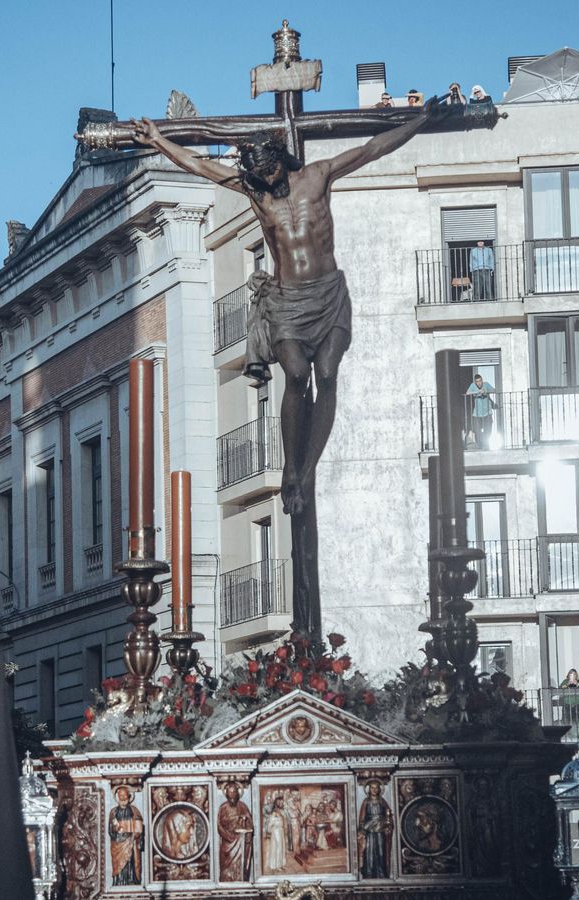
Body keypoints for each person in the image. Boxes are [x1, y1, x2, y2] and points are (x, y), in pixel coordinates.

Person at [131, 95, 449, 636]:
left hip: (326, 294)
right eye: (258, 175)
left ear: (284, 160)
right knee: (295, 375)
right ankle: (289, 469)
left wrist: (421, 120)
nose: (267, 182)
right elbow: (203, 165)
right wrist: (161, 141)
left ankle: (302, 469)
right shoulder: (254, 191)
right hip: (286, 301)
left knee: (327, 377)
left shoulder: (319, 175)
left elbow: (374, 147)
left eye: (271, 172)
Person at [218, 782, 254, 881]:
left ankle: (240, 878)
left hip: (240, 840)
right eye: (230, 792)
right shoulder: (223, 807)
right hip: (227, 841)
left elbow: (249, 822)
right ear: (226, 794)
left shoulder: (242, 806)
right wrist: (228, 835)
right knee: (226, 866)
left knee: (240, 863)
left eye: (234, 792)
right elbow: (219, 825)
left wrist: (247, 832)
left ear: (238, 793)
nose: (232, 794)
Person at [108, 786, 143, 886]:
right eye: (121, 795)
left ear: (129, 796)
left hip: (131, 842)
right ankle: (119, 881)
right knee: (118, 865)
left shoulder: (134, 811)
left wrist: (133, 835)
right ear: (117, 797)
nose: (123, 798)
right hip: (118, 843)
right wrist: (118, 835)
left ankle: (132, 880)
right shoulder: (113, 812)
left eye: (125, 795)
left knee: (131, 862)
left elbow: (138, 828)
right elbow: (110, 831)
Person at [358, 781, 392, 878]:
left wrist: (387, 824)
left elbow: (388, 815)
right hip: (369, 830)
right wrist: (362, 829)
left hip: (380, 828)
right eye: (372, 788)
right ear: (369, 789)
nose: (374, 790)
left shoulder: (382, 801)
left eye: (376, 788)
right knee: (369, 852)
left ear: (379, 789)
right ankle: (369, 872)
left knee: (381, 851)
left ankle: (381, 873)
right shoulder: (366, 801)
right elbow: (362, 817)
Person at [466, 373, 496, 448]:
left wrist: (485, 391)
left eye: (480, 381)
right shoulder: (473, 385)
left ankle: (486, 444)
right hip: (477, 412)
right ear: (475, 382)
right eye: (477, 381)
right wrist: (478, 392)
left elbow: (494, 390)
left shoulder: (486, 384)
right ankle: (480, 445)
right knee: (477, 430)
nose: (479, 383)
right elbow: (467, 393)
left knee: (488, 429)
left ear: (482, 380)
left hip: (487, 411)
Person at [265, 795, 291, 872]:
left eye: (282, 802)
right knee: (278, 847)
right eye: (280, 802)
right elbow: (270, 824)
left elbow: (284, 820)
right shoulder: (274, 813)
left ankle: (280, 864)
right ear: (277, 803)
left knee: (281, 847)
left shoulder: (281, 811)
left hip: (280, 831)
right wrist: (270, 830)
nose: (281, 803)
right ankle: (276, 866)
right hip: (276, 831)